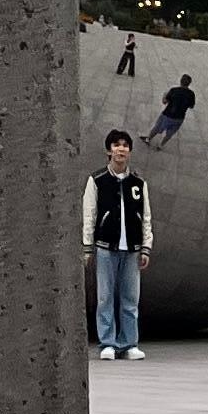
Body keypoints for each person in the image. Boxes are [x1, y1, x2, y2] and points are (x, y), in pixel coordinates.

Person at [83, 129, 150, 360]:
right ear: (108, 150)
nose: (121, 149)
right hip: (105, 247)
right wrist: (87, 246)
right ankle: (107, 342)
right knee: (105, 297)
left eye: (125, 145)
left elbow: (146, 215)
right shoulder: (98, 180)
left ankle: (129, 343)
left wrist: (146, 246)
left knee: (130, 298)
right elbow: (90, 214)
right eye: (116, 145)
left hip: (131, 249)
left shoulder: (138, 183)